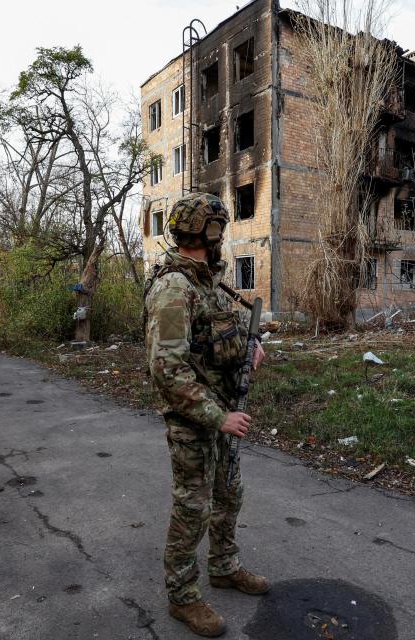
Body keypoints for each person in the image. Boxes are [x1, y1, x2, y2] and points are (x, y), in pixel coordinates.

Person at [144, 193, 268, 637]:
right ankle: (182, 596)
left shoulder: (206, 281)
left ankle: (224, 566)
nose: (221, 236)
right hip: (194, 419)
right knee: (192, 508)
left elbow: (219, 335)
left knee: (229, 495)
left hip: (221, 409)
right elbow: (167, 370)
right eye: (217, 228)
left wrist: (249, 350)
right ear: (208, 232)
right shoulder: (174, 288)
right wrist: (218, 417)